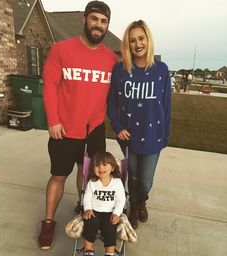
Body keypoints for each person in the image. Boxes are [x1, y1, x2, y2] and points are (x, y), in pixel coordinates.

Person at [38, 1, 118, 250]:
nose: (98, 25)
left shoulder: (110, 59)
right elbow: (50, 85)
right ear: (84, 19)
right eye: (94, 19)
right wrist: (53, 120)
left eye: (103, 21)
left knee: (90, 178)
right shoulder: (62, 49)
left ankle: (85, 209)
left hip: (93, 129)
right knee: (59, 176)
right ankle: (49, 222)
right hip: (64, 129)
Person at [107, 20, 171, 229]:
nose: (137, 44)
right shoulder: (121, 70)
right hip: (130, 135)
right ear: (128, 44)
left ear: (148, 40)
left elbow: (167, 105)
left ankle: (142, 199)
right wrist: (117, 127)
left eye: (141, 38)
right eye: (132, 40)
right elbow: (112, 102)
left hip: (153, 135)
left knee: (145, 180)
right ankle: (134, 206)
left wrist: (165, 134)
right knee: (132, 177)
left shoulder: (161, 70)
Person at [82, 151, 125, 256]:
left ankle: (109, 253)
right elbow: (87, 197)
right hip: (94, 211)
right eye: (97, 165)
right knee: (90, 223)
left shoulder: (117, 182)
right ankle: (88, 251)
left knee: (110, 227)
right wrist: (88, 209)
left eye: (105, 165)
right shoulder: (92, 182)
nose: (101, 168)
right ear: (93, 169)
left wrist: (117, 213)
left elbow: (121, 199)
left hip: (110, 212)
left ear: (113, 168)